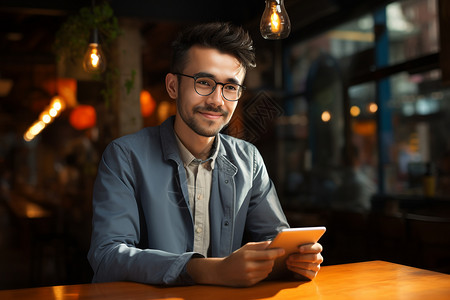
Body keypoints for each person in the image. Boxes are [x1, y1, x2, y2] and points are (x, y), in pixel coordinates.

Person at [88, 22, 323, 287]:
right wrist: (205, 270)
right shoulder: (125, 156)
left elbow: (276, 240)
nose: (217, 100)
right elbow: (107, 256)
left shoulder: (249, 160)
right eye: (204, 82)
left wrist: (296, 259)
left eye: (230, 88)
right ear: (173, 86)